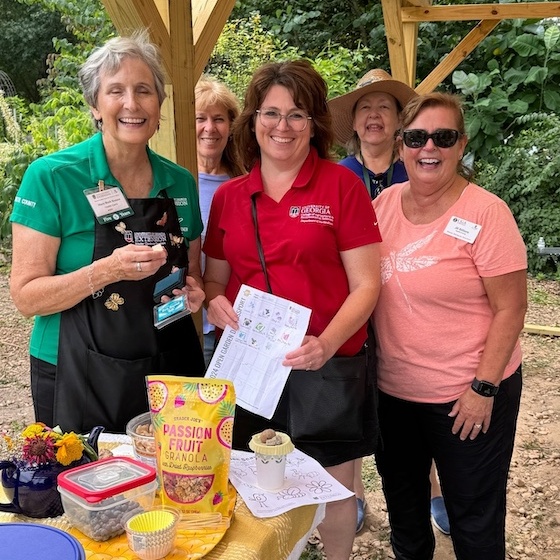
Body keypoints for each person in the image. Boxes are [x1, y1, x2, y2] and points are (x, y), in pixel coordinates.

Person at [203, 60, 381, 560]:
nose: (283, 126)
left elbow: (367, 285)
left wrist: (325, 344)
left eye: (297, 114)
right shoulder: (231, 198)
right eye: (272, 113)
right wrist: (215, 303)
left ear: (315, 123)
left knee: (334, 488)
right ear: (254, 120)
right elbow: (215, 280)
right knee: (257, 483)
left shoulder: (341, 187)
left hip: (326, 362)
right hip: (252, 367)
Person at [9, 30, 206, 435]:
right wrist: (106, 271)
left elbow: (192, 273)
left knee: (172, 490)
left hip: (168, 366)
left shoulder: (180, 181)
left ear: (159, 105)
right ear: (95, 106)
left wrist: (193, 291)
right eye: (115, 91)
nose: (131, 104)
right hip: (75, 369)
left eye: (144, 90)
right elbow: (26, 297)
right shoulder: (52, 177)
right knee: (84, 490)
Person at [372, 92, 527, 559]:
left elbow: (511, 309)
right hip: (394, 394)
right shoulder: (382, 206)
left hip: (466, 396)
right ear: (401, 146)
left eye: (443, 137)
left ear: (461, 145)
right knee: (405, 515)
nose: (429, 148)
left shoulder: (486, 213)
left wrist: (483, 388)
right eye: (417, 137)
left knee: (473, 520)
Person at [329, 68, 436, 534]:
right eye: (365, 108)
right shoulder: (336, 178)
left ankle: (435, 488)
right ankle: (352, 494)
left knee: (419, 397)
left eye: (385, 108)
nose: (374, 116)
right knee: (351, 399)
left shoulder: (419, 169)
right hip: (350, 306)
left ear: (399, 121)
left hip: (409, 308)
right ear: (353, 122)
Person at [195, 76, 245, 366]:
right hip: (183, 324)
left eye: (219, 119)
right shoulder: (173, 182)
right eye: (200, 118)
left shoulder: (245, 184)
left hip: (232, 327)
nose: (210, 128)